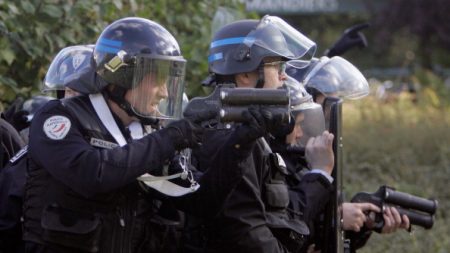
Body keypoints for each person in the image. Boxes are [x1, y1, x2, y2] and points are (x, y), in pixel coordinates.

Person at [21, 17, 215, 253]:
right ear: (124, 76)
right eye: (158, 79)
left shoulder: (144, 130)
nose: (165, 93)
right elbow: (91, 173)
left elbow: (201, 199)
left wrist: (241, 143)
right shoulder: (57, 117)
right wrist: (170, 138)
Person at [183, 15, 334, 253]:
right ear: (245, 74)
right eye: (277, 66)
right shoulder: (228, 136)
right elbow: (247, 234)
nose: (284, 76)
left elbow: (275, 214)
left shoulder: (247, 129)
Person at [285, 56, 410, 252]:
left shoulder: (310, 159)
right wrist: (336, 219)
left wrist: (360, 225)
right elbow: (285, 229)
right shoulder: (281, 160)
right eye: (325, 107)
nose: (328, 116)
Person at [0, 44, 97, 253]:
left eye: (81, 92)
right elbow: (5, 224)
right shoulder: (31, 155)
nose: (71, 100)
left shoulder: (128, 155)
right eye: (68, 91)